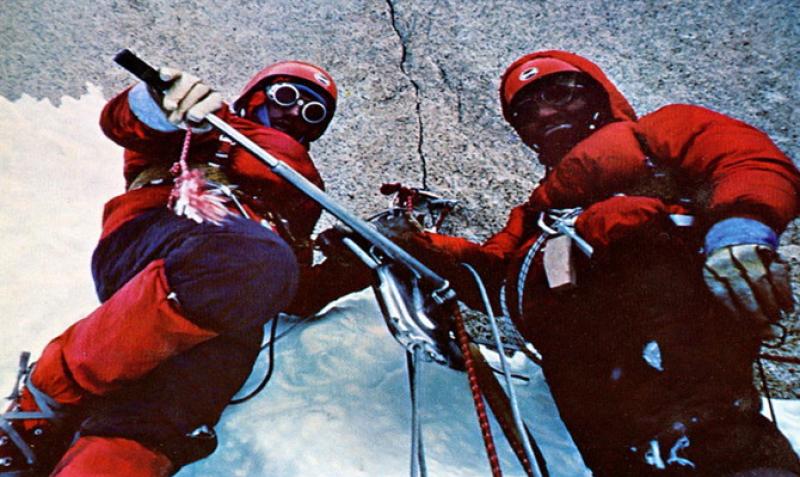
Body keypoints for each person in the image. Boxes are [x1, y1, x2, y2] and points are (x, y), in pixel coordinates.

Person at [380, 50, 800, 476]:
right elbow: (487, 277)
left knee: (721, 443)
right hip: (588, 387)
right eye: (527, 111)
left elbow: (746, 161)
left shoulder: (660, 132)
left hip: (677, 329)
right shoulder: (534, 216)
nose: (545, 113)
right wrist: (414, 243)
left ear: (599, 96)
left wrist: (741, 230)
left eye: (561, 94)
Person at [0, 58, 348, 475]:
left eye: (312, 112)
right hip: (161, 240)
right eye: (285, 96)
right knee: (254, 259)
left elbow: (294, 289)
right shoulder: (211, 126)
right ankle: (53, 386)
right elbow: (126, 125)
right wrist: (159, 106)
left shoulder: (304, 197)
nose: (294, 112)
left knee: (159, 419)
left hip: (234, 295)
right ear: (254, 95)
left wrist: (350, 265)